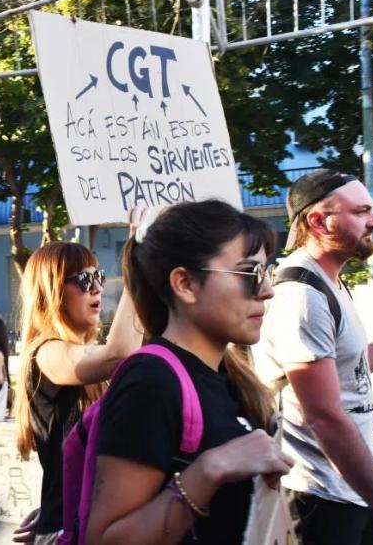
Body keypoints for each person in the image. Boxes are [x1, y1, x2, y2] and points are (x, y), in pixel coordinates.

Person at [84, 199, 293, 544]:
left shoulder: (229, 378)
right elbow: (105, 539)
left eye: (267, 272)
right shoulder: (151, 381)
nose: (267, 290)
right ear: (185, 284)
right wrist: (211, 470)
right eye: (250, 273)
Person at [252, 170, 373, 545]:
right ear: (318, 220)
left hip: (349, 489)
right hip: (321, 495)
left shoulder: (329, 282)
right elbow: (324, 416)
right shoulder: (302, 295)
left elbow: (345, 371)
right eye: (360, 212)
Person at [12, 209, 145, 544]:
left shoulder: (80, 354)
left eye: (98, 276)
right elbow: (120, 354)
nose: (97, 287)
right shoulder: (46, 353)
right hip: (69, 531)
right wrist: (136, 256)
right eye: (84, 280)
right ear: (52, 291)